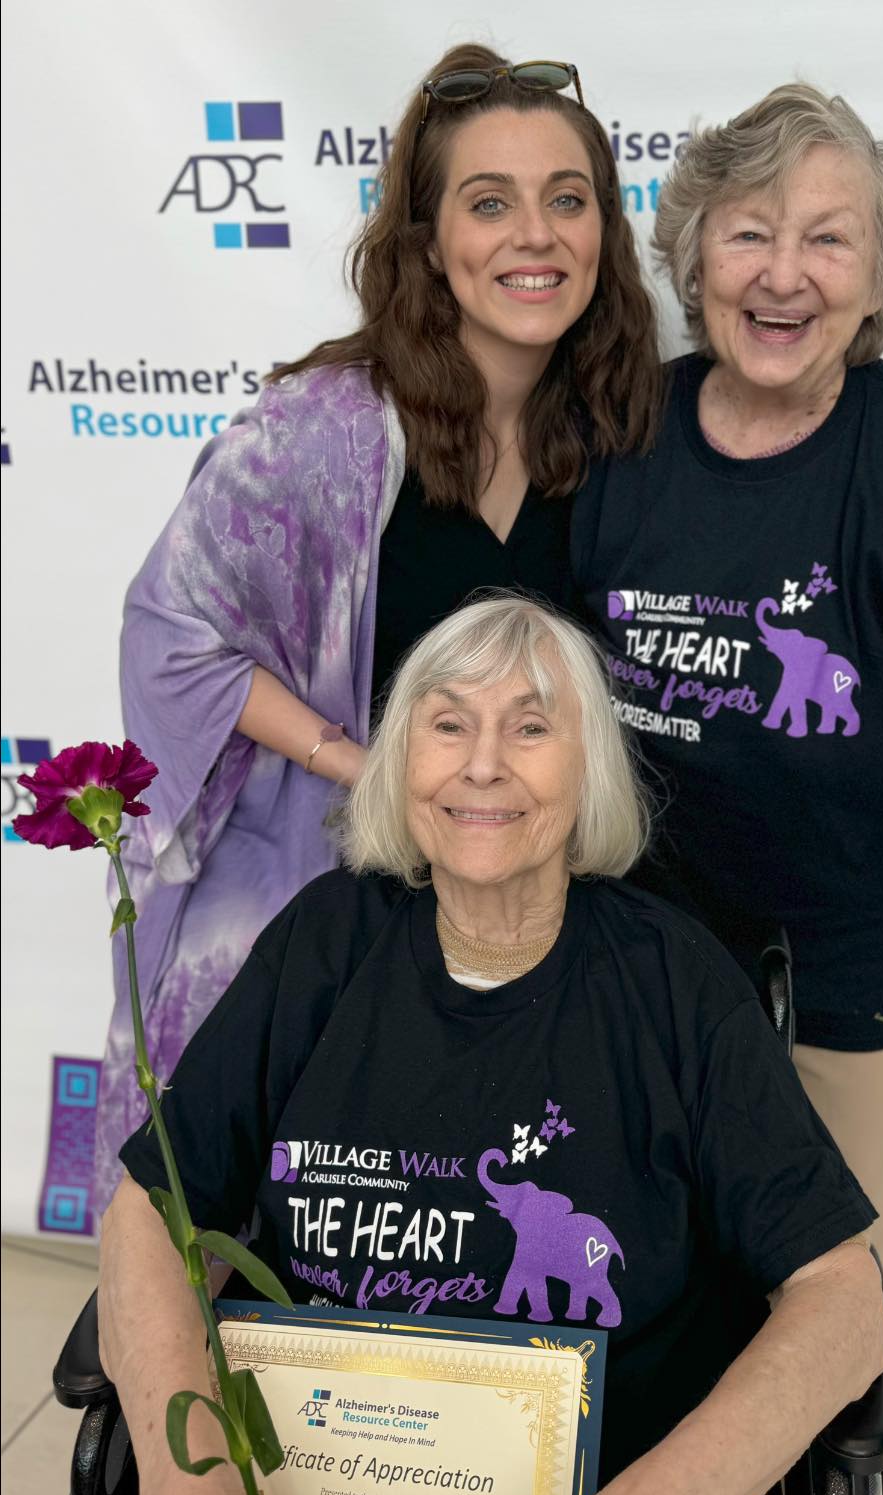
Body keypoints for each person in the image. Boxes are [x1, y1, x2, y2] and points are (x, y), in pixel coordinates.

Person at [100, 597, 883, 1495]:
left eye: (529, 727)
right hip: (303, 1482)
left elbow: (842, 1300)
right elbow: (152, 1207)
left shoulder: (673, 982)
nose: (482, 763)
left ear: (587, 765)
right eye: (447, 725)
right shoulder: (324, 943)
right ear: (402, 762)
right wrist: (193, 1483)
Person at [94, 45, 663, 1217]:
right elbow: (172, 636)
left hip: (522, 946)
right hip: (333, 929)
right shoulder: (328, 431)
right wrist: (368, 772)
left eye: (569, 199)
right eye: (489, 201)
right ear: (426, 235)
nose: (536, 235)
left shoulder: (616, 432)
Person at [570, 83, 883, 1313]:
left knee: (830, 1305)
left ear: (879, 279)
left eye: (827, 238)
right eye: (749, 232)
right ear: (695, 261)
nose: (782, 274)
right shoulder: (619, 427)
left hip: (845, 968)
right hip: (633, 956)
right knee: (648, 1287)